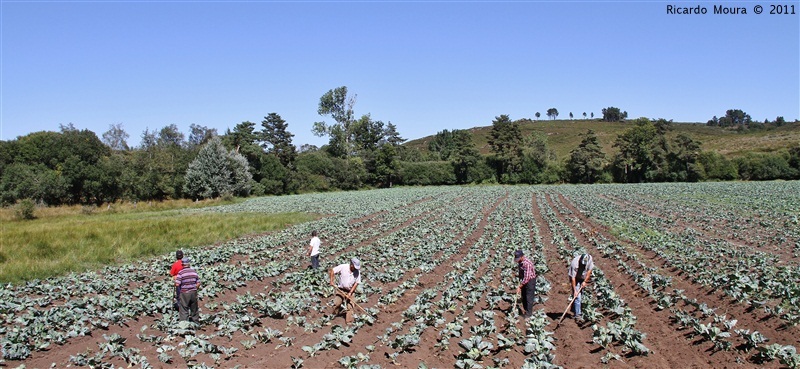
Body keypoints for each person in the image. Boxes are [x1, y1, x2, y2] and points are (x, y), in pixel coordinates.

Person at [329, 257, 361, 323]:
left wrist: (350, 293)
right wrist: (332, 281)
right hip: (340, 289)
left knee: (350, 306)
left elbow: (356, 283)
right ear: (351, 264)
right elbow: (332, 270)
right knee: (337, 303)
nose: (355, 269)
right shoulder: (343, 267)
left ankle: (349, 321)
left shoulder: (357, 272)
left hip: (350, 291)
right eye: (354, 267)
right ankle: (334, 315)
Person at [568, 253, 594, 323]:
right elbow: (573, 278)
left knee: (580, 294)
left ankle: (574, 309)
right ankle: (577, 316)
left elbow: (589, 271)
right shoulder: (574, 263)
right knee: (577, 296)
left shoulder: (589, 259)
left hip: (583, 277)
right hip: (575, 278)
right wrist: (575, 290)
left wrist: (585, 281)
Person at [175, 257, 201, 323]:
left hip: (184, 293)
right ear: (189, 264)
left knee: (184, 309)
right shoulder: (194, 272)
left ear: (182, 265)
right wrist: (194, 288)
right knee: (194, 309)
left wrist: (175, 282)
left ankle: (184, 324)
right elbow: (198, 283)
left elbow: (177, 284)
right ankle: (196, 323)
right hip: (193, 292)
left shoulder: (180, 273)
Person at [514, 249, 536, 318]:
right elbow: (522, 272)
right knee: (523, 295)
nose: (517, 260)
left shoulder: (527, 264)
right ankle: (525, 310)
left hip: (530, 281)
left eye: (518, 258)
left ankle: (528, 315)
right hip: (524, 279)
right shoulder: (520, 262)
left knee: (529, 297)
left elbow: (527, 277)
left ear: (522, 256)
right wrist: (519, 277)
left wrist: (520, 287)